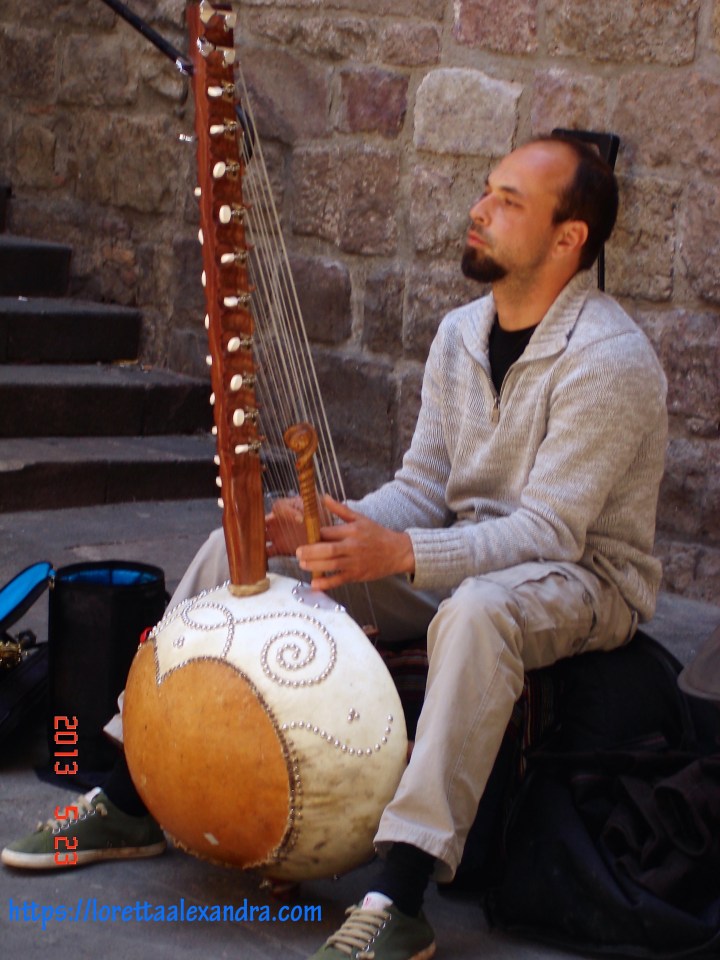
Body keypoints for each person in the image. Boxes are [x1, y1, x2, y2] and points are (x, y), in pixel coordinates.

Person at [2, 134, 668, 960]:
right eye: (486, 190)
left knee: (476, 615)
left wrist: (397, 554)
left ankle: (402, 889)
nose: (479, 210)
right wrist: (325, 523)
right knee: (234, 549)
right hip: (455, 550)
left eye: (508, 202)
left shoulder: (608, 360)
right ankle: (129, 788)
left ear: (569, 239)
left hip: (581, 579)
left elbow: (549, 533)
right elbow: (422, 489)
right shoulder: (464, 332)